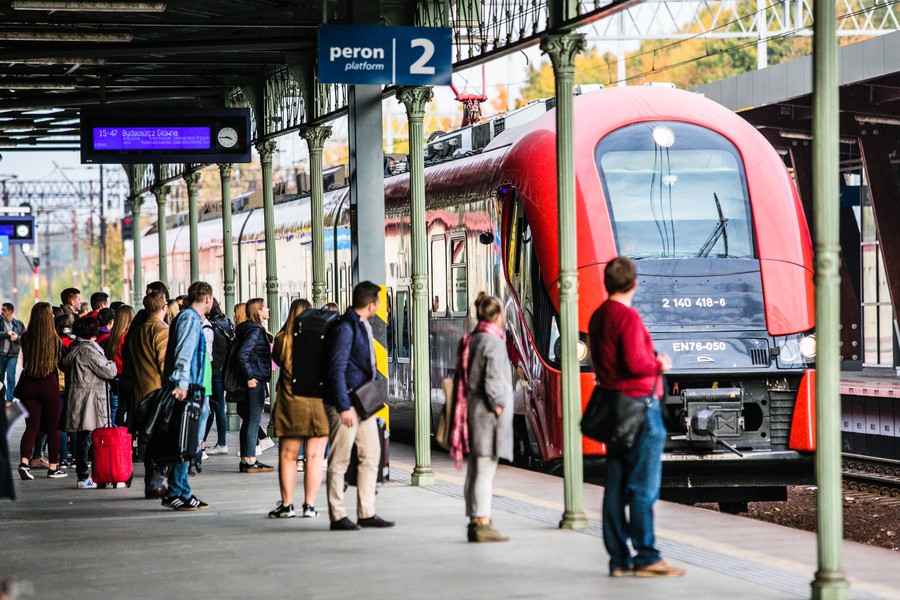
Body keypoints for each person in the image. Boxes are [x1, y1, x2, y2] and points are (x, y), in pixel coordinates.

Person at [588, 256, 685, 578]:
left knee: (616, 486)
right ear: (634, 283)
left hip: (617, 410)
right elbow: (635, 362)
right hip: (640, 409)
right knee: (643, 487)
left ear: (607, 282)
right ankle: (646, 557)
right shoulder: (626, 317)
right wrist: (659, 363)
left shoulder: (599, 316)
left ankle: (618, 559)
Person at [324, 281, 394, 531]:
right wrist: (343, 406)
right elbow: (336, 369)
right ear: (371, 304)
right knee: (340, 459)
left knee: (371, 454)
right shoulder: (345, 327)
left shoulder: (361, 324)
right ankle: (338, 515)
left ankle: (367, 512)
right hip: (346, 404)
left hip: (363, 404)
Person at [452, 293, 513, 543]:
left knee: (475, 471)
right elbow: (493, 381)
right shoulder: (493, 342)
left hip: (474, 411)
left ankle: (474, 520)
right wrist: (499, 406)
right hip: (488, 416)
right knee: (485, 472)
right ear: (498, 316)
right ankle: (483, 522)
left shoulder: (473, 338)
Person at [270, 298, 329, 519]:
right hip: (318, 403)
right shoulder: (324, 339)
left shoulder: (282, 339)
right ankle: (310, 506)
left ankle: (286, 505)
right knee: (314, 456)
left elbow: (278, 360)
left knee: (288, 456)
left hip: (291, 403)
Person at [160, 281, 212, 510]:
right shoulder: (191, 320)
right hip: (188, 390)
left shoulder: (185, 318)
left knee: (184, 441)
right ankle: (177, 491)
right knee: (186, 441)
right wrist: (182, 384)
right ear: (208, 299)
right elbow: (185, 354)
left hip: (188, 388)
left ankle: (180, 490)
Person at [60, 317, 118, 489]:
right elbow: (107, 371)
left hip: (80, 397)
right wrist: (112, 364)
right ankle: (85, 476)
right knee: (89, 439)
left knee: (83, 438)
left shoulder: (74, 347)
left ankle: (85, 475)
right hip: (90, 399)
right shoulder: (88, 350)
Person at [125, 291, 169, 498]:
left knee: (149, 441)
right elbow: (165, 365)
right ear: (164, 307)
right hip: (157, 395)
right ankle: (155, 483)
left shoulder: (137, 332)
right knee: (162, 440)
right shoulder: (161, 331)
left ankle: (152, 483)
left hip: (139, 393)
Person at [15, 303, 65, 481]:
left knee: (31, 428)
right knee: (53, 429)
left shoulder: (26, 337)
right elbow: (63, 363)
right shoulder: (55, 340)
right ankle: (53, 468)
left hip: (28, 386)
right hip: (49, 386)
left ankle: (24, 463)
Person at [235, 298, 274, 473]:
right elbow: (243, 354)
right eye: (265, 307)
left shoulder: (247, 328)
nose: (268, 309)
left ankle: (247, 458)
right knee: (253, 420)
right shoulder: (256, 331)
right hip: (254, 380)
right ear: (258, 311)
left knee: (249, 420)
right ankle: (250, 460)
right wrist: (250, 376)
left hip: (251, 379)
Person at [204, 299, 234, 456]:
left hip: (214, 370)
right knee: (219, 407)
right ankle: (220, 441)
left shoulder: (210, 325)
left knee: (212, 407)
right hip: (224, 369)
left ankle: (214, 442)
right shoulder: (227, 321)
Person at [105, 305, 134, 427]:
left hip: (115, 377)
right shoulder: (127, 337)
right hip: (126, 377)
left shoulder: (112, 337)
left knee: (119, 410)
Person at [0, 303, 26, 408]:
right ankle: (1, 397)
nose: (2, 312)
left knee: (11, 377)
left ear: (10, 311)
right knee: (0, 378)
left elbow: (25, 338)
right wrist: (7, 334)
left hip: (13, 355)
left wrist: (17, 338)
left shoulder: (19, 324)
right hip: (1, 354)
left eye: (4, 310)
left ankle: (9, 399)